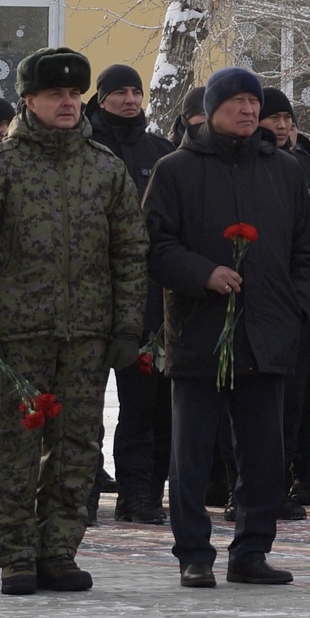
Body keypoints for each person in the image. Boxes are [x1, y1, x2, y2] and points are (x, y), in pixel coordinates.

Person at [0, 49, 147, 595]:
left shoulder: (105, 168)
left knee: (77, 446)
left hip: (86, 334)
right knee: (14, 447)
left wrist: (127, 326)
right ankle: (16, 554)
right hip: (18, 335)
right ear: (28, 101)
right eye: (54, 94)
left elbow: (131, 251)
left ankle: (59, 549)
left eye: (74, 94)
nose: (67, 103)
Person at [146, 67, 310, 588]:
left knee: (265, 454)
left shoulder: (285, 170)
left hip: (268, 333)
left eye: (254, 102)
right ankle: (194, 554)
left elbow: (305, 250)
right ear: (211, 110)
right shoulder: (175, 169)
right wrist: (203, 274)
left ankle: (252, 550)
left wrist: (296, 304)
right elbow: (154, 246)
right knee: (192, 453)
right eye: (237, 102)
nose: (248, 110)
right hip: (200, 331)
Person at [86, 65, 174, 524]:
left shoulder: (159, 152)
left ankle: (139, 494)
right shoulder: (82, 149)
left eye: (135, 91)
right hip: (88, 298)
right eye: (119, 92)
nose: (129, 99)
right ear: (100, 99)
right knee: (83, 407)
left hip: (146, 300)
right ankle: (78, 496)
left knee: (145, 407)